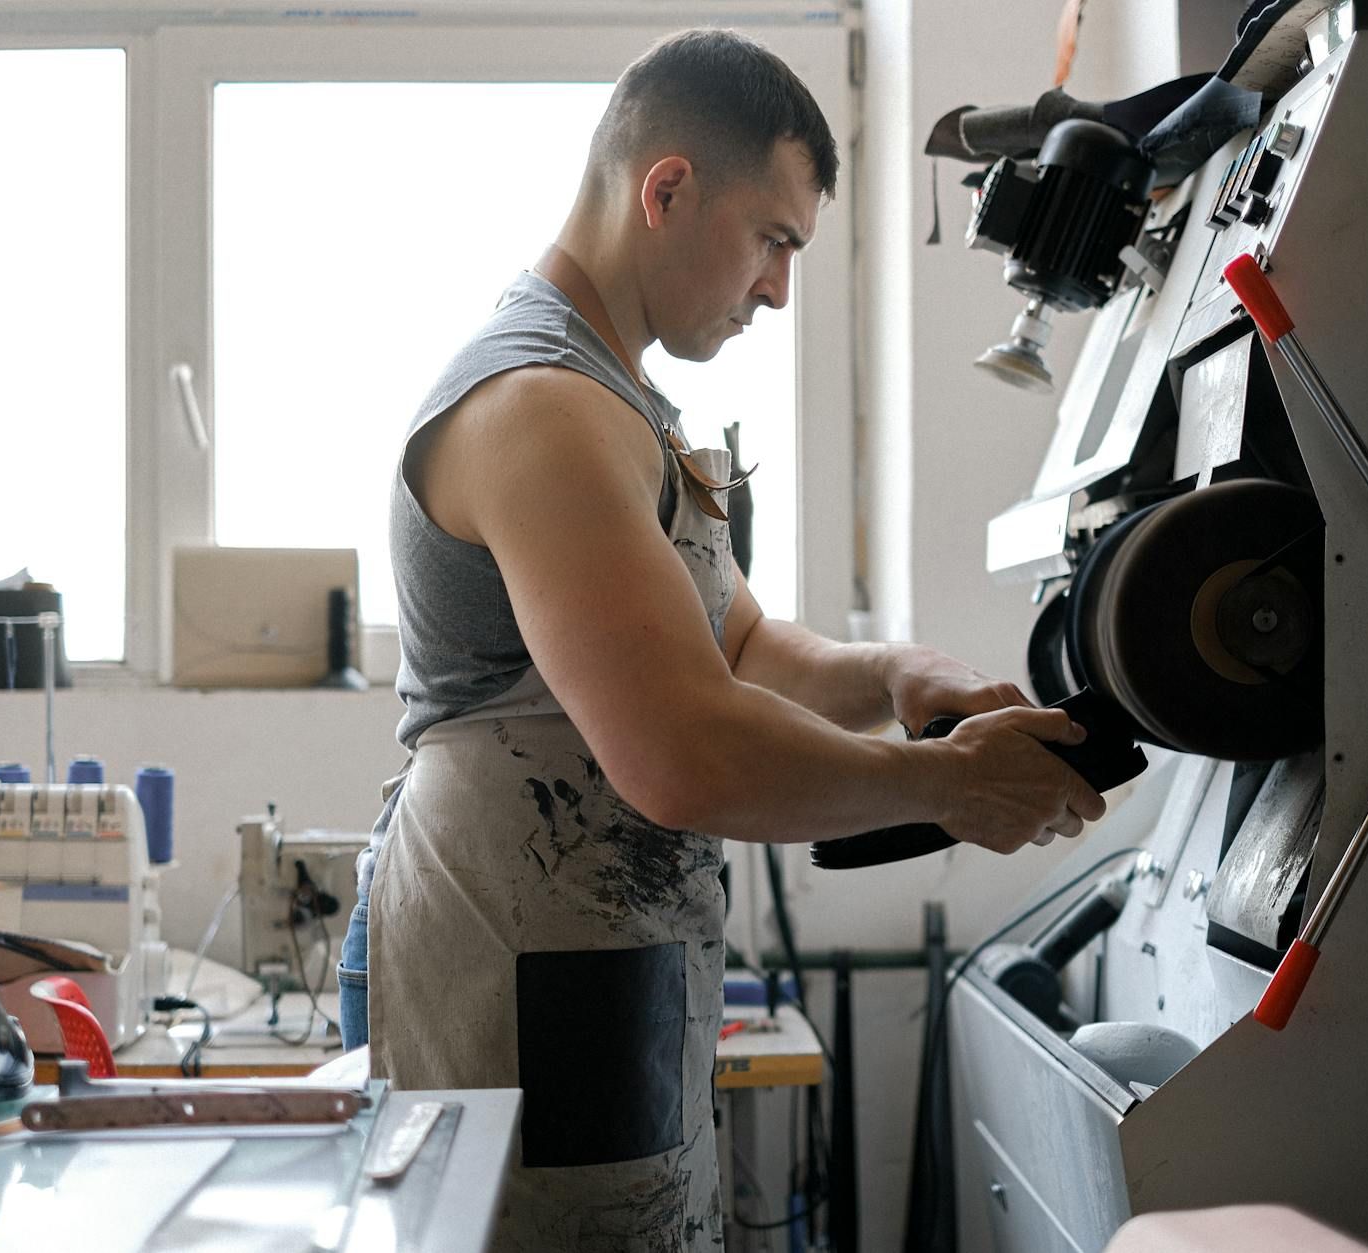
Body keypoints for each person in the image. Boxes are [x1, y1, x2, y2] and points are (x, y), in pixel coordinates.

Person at [337, 27, 1106, 1251]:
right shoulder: (539, 408)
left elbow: (738, 647)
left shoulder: (622, 402)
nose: (777, 289)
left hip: (594, 948)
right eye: (774, 241)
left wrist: (907, 676)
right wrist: (950, 787)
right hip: (511, 950)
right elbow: (681, 750)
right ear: (667, 188)